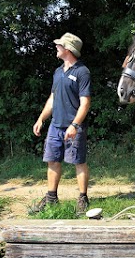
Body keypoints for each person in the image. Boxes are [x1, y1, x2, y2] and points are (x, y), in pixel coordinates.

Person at [32, 32, 91, 214]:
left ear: (68, 49)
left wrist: (74, 125)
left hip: (74, 126)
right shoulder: (58, 72)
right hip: (55, 126)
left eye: (59, 45)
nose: (56, 47)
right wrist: (41, 118)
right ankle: (51, 198)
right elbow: (53, 97)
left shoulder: (82, 72)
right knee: (52, 160)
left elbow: (85, 103)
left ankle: (82, 198)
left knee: (78, 162)